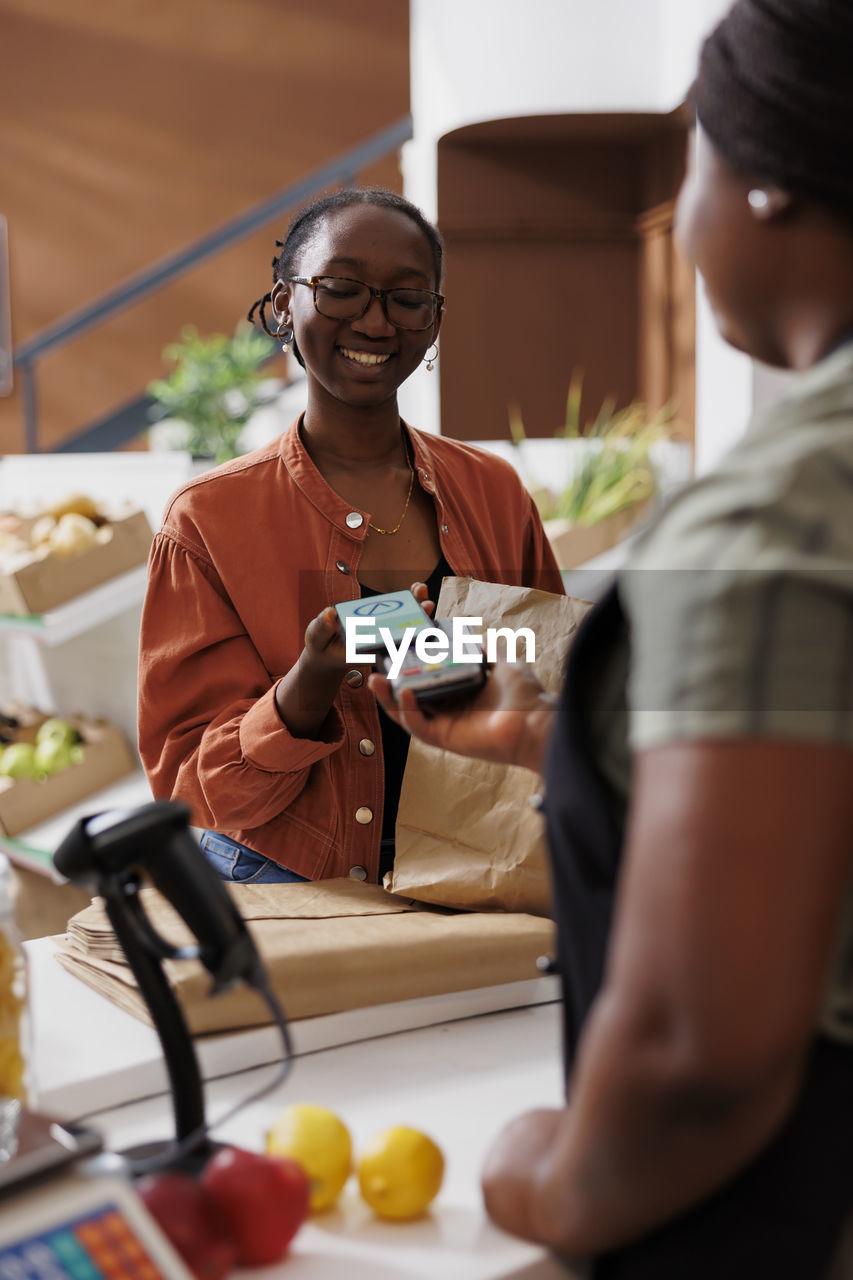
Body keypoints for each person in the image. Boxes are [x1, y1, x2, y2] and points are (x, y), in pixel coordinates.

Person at [372, 1, 853, 1274]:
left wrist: (546, 1172)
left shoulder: (777, 517)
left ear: (762, 185)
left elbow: (699, 1053)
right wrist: (547, 739)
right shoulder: (212, 514)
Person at [138, 187, 563, 887]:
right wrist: (308, 685)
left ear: (433, 321)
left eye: (406, 297)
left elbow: (547, 681)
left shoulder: (493, 491)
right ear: (284, 304)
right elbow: (191, 788)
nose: (374, 321)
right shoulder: (207, 520)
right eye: (340, 290)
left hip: (476, 870)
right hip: (282, 879)